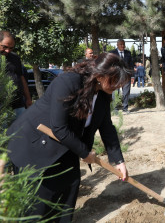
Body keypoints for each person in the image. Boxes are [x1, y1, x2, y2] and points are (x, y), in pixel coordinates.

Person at [7, 53, 131, 222]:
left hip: (66, 145)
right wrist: (85, 153)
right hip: (35, 146)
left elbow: (107, 127)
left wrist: (119, 161)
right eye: (116, 81)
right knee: (38, 204)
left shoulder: (102, 94)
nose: (118, 86)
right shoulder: (69, 81)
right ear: (101, 76)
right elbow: (58, 127)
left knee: (68, 191)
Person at [0, 31, 32, 118]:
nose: (7, 50)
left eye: (11, 48)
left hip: (18, 104)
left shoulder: (15, 57)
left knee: (21, 130)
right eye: (5, 47)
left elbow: (21, 78)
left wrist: (28, 99)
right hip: (2, 107)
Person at [110, 39, 133, 114]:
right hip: (116, 76)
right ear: (117, 45)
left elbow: (131, 65)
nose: (123, 46)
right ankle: (115, 109)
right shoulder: (112, 53)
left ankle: (125, 108)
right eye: (121, 44)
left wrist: (132, 76)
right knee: (115, 92)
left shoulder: (128, 53)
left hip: (126, 76)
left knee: (126, 92)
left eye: (123, 44)